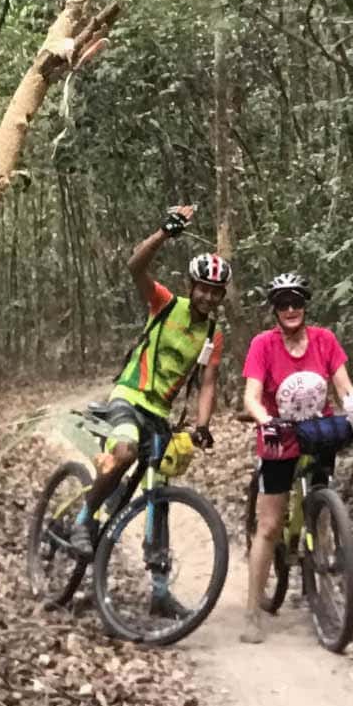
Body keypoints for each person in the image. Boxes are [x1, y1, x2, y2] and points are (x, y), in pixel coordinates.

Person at [69, 204, 228, 560]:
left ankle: (158, 572)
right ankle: (84, 518)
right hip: (128, 396)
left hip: (159, 414)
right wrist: (164, 233)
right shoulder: (166, 304)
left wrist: (203, 424)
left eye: (216, 292)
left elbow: (208, 383)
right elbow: (135, 266)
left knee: (159, 485)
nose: (208, 296)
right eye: (203, 288)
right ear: (192, 286)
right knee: (125, 452)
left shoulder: (212, 334)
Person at [239, 270, 353, 643]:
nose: (290, 309)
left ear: (305, 305)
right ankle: (252, 611)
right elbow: (251, 396)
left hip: (318, 433)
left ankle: (319, 570)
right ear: (275, 310)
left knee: (321, 510)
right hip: (278, 437)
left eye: (296, 302)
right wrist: (265, 419)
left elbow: (344, 386)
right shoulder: (263, 345)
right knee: (268, 525)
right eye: (283, 304)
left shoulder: (324, 340)